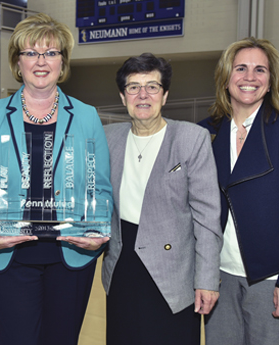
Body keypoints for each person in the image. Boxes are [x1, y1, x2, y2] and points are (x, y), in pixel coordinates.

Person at [0, 13, 113, 345]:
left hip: (71, 255)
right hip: (9, 256)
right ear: (18, 63)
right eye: (31, 53)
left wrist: (98, 230)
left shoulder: (87, 116)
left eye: (50, 52)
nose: (41, 61)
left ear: (63, 62)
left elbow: (100, 187)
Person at [198, 37, 279, 345]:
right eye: (240, 68)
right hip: (218, 279)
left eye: (260, 70)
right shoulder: (203, 133)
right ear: (226, 78)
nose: (250, 77)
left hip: (272, 280)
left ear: (271, 81)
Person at [102, 53, 223, 345]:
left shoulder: (190, 138)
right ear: (122, 96)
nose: (143, 95)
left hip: (173, 273)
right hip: (122, 267)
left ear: (165, 95)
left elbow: (207, 216)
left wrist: (206, 280)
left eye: (152, 86)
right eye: (133, 87)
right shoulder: (108, 138)